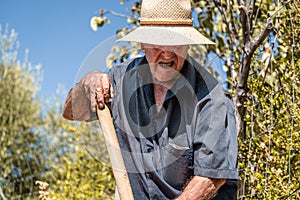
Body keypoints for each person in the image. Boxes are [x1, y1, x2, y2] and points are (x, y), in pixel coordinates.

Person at [62, 0, 238, 199]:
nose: (166, 53)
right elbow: (70, 112)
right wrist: (86, 85)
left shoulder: (211, 99)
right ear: (142, 44)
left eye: (175, 42)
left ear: (187, 44)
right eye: (157, 42)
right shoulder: (121, 80)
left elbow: (209, 180)